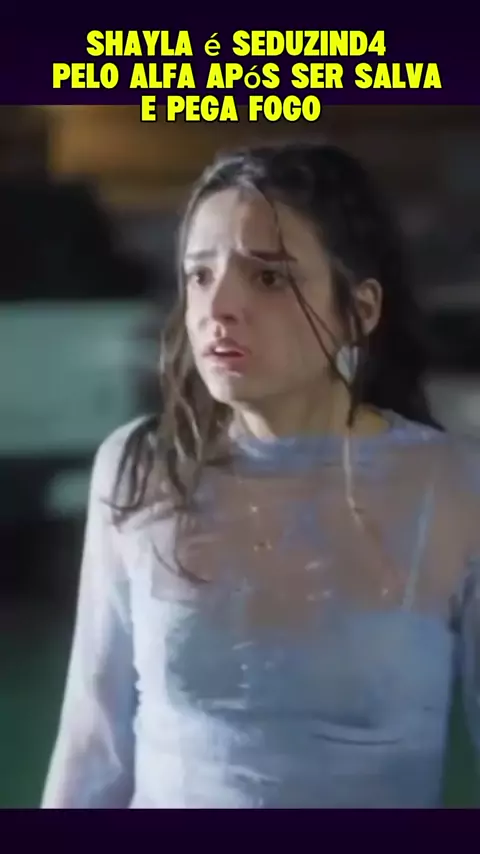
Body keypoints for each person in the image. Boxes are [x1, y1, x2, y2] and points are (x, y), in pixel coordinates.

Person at [41, 141, 480, 809]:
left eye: (269, 278)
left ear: (360, 310)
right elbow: (90, 753)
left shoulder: (451, 486)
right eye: (199, 275)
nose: (218, 306)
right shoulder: (141, 469)